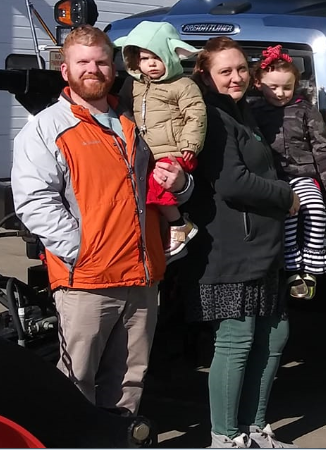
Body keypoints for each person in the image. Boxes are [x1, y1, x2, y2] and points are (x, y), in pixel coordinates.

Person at [11, 25, 192, 415]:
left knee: (130, 380)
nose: (93, 69)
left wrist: (181, 185)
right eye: (83, 62)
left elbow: (159, 191)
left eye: (101, 61)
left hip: (142, 278)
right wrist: (83, 251)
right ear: (65, 70)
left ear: (113, 67)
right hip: (87, 282)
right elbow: (34, 202)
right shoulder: (47, 129)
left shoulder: (134, 124)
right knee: (75, 383)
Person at [181, 37, 301, 449]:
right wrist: (286, 196)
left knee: (275, 335)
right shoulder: (212, 117)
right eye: (224, 71)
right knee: (236, 340)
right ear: (206, 76)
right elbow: (232, 182)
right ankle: (225, 437)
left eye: (240, 69)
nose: (235, 77)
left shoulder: (243, 112)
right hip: (230, 248)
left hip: (262, 249)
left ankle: (254, 429)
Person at [250, 45, 326, 300]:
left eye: (287, 87)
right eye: (274, 87)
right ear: (259, 83)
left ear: (296, 84)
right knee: (288, 214)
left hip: (304, 175)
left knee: (315, 209)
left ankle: (313, 264)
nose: (281, 93)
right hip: (274, 178)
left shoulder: (306, 110)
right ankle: (293, 268)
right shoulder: (254, 113)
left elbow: (322, 148)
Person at [114, 20, 207, 261]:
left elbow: (196, 114)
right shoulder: (135, 86)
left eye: (157, 57)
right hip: (150, 152)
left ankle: (179, 225)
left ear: (172, 56)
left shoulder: (183, 85)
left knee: (156, 186)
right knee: (145, 190)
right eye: (144, 59)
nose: (151, 64)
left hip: (175, 151)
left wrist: (190, 144)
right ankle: (164, 234)